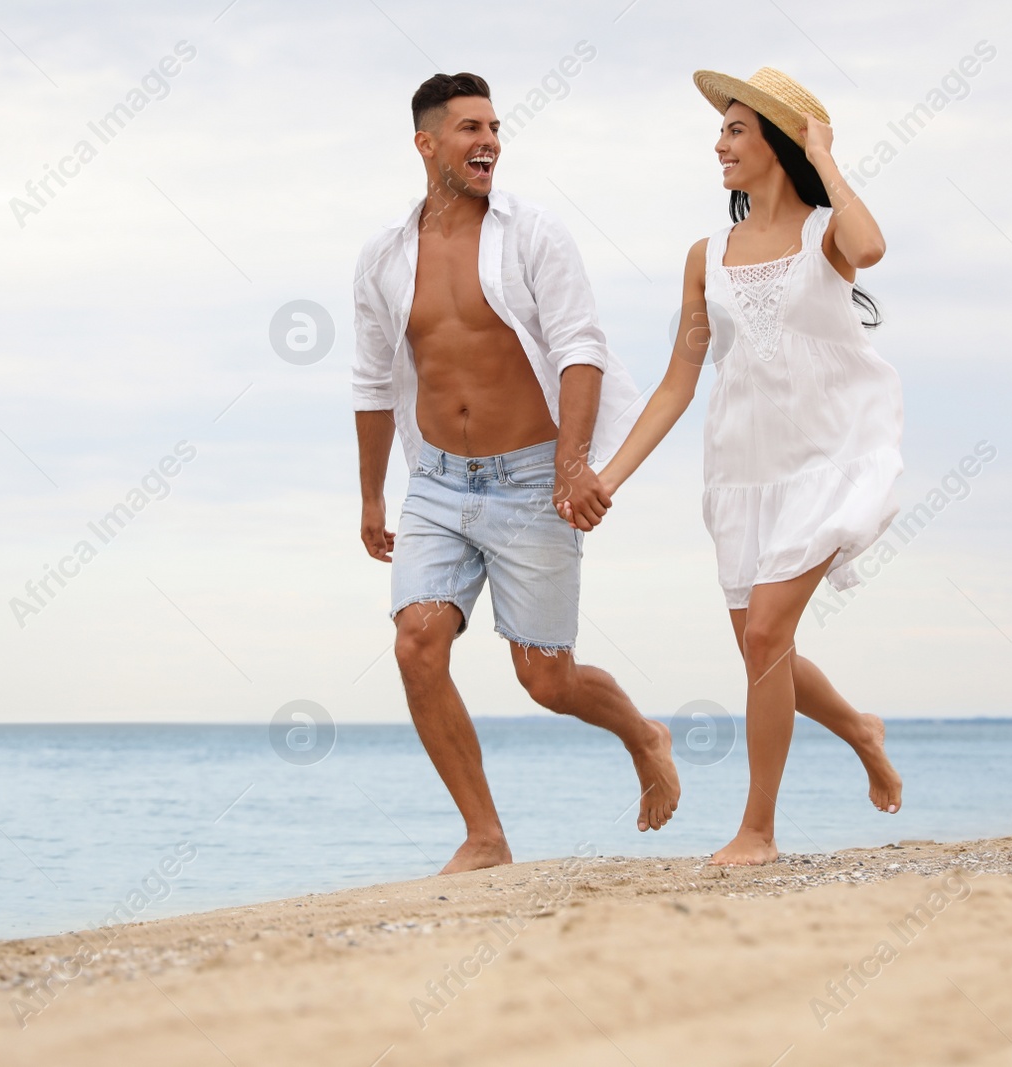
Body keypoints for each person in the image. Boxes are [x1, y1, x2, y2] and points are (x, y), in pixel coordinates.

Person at [352, 72, 681, 874]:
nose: (488, 140)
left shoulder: (535, 234)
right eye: (468, 128)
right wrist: (370, 493)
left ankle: (645, 734)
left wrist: (573, 466)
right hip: (434, 481)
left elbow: (579, 347)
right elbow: (369, 380)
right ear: (426, 144)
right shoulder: (385, 260)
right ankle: (485, 834)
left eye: (494, 126)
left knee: (547, 679)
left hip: (533, 477)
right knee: (416, 645)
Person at [597, 66, 904, 866]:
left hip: (828, 460)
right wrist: (608, 477)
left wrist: (826, 157)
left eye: (736, 129)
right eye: (722, 129)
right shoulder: (708, 254)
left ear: (778, 140)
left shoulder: (825, 235)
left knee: (767, 632)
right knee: (763, 650)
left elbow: (870, 245)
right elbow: (676, 385)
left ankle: (757, 830)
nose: (720, 142)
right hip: (740, 470)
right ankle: (860, 729)